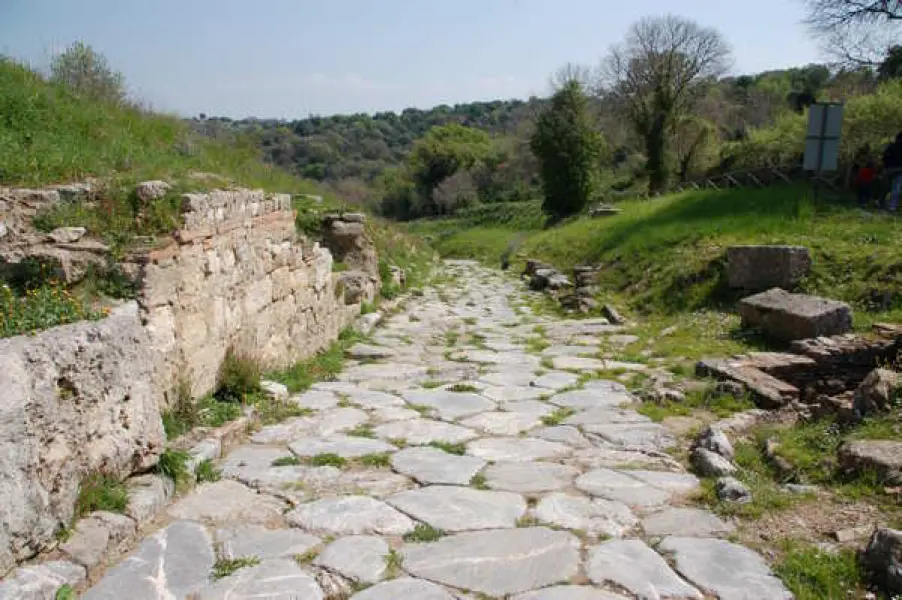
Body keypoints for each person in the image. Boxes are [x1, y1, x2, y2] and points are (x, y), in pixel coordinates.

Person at [882, 132, 902, 211]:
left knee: (886, 187)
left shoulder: (891, 146)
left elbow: (885, 157)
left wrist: (886, 166)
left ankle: (881, 202)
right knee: (896, 188)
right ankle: (892, 206)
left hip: (889, 169)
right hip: (900, 169)